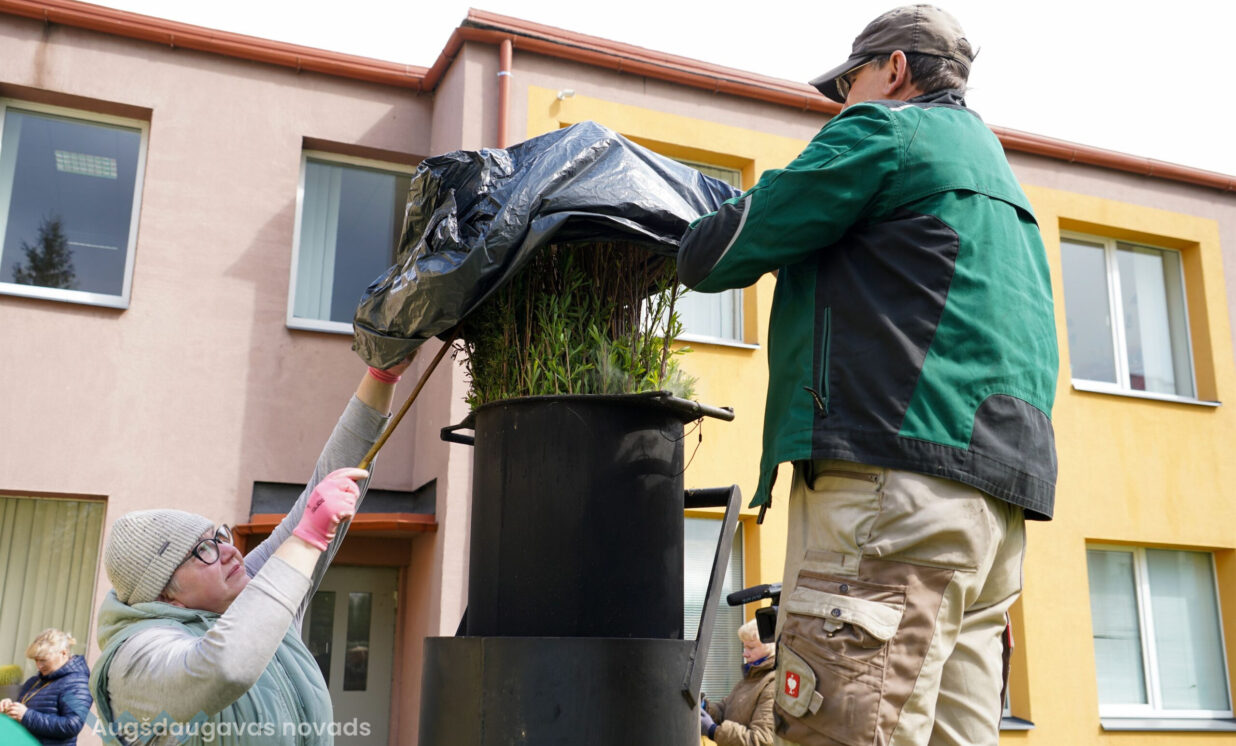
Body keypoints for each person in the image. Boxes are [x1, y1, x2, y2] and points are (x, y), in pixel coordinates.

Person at [677, 5, 1057, 745]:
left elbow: (715, 252)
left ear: (896, 69)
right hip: (997, 515)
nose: (841, 105)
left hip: (894, 497)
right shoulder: (1006, 189)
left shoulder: (885, 131)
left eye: (848, 84)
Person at [88, 357, 413, 745]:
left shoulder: (248, 592)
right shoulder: (133, 662)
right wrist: (307, 538)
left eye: (219, 536)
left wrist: (383, 370)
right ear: (165, 596)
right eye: (202, 551)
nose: (228, 551)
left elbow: (332, 476)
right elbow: (223, 668)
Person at [0, 629, 92, 746]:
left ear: (63, 653)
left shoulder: (76, 682)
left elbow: (72, 725)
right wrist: (9, 709)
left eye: (44, 660)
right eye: (36, 660)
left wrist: (26, 716)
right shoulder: (33, 682)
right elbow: (22, 716)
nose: (39, 666)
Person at [700, 619, 777, 746]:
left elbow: (761, 740)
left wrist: (713, 731)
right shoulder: (750, 679)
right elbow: (725, 710)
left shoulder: (772, 684)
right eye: (744, 647)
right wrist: (703, 706)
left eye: (751, 648)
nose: (744, 654)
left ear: (772, 647)